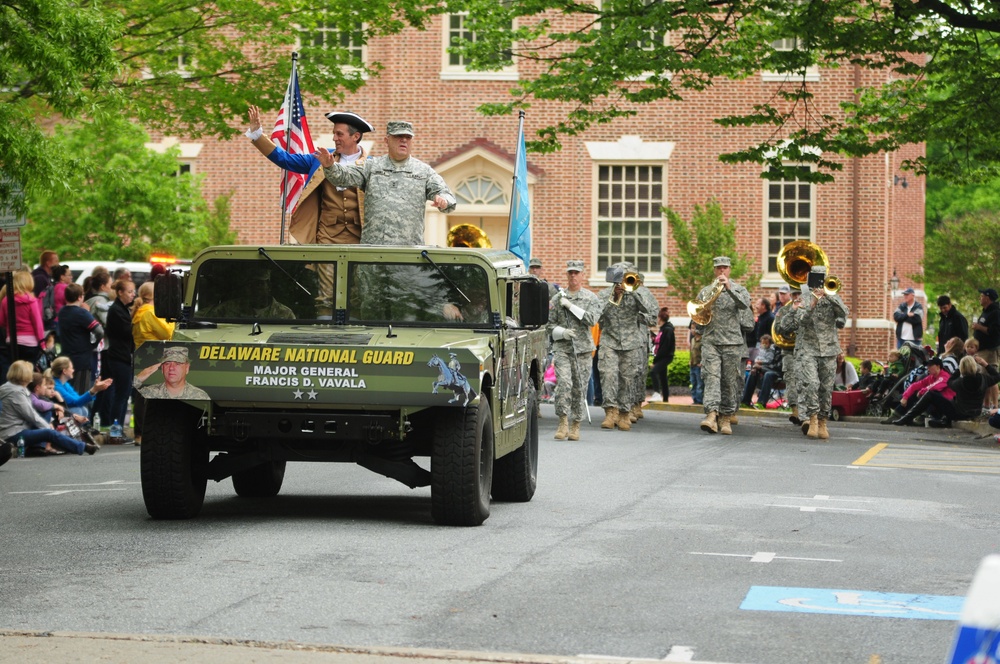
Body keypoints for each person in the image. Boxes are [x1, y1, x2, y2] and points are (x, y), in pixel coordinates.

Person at [317, 121, 457, 245]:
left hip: (408, 253)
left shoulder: (423, 171)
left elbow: (447, 197)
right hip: (373, 252)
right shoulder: (371, 167)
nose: (403, 140)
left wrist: (443, 200)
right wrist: (330, 166)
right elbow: (343, 177)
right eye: (398, 137)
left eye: (408, 137)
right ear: (387, 140)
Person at [784, 267, 850, 439]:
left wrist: (831, 297)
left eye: (822, 278)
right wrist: (812, 304)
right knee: (812, 383)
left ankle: (822, 421)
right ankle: (812, 418)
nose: (819, 281)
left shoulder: (833, 296)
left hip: (828, 349)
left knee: (826, 388)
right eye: (816, 278)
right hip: (808, 349)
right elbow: (801, 321)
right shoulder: (803, 298)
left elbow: (844, 315)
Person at [595, 263, 658, 431]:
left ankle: (624, 412)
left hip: (631, 343)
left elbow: (652, 317)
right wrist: (613, 297)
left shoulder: (638, 294)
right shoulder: (603, 294)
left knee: (627, 378)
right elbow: (596, 315)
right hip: (609, 341)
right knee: (608, 376)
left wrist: (634, 293)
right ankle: (610, 412)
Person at [696, 256, 753, 435]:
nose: (721, 271)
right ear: (714, 270)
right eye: (718, 268)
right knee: (712, 378)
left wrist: (729, 289)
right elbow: (698, 321)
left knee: (729, 382)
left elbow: (745, 306)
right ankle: (711, 415)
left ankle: (726, 417)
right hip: (711, 341)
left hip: (732, 343)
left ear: (729, 270)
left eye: (725, 268)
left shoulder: (740, 290)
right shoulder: (705, 291)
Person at [547, 260, 601, 441]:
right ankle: (563, 422)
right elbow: (549, 325)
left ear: (582, 275)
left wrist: (570, 306)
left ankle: (576, 424)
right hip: (563, 348)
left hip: (583, 350)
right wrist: (562, 332)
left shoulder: (590, 298)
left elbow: (592, 319)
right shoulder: (556, 299)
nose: (573, 276)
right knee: (564, 384)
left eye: (576, 272)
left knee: (579, 387)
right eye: (570, 272)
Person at [0, 361, 99, 456]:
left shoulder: (14, 389)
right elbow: (30, 415)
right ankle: (82, 447)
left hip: (18, 428)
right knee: (48, 433)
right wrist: (48, 428)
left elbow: (38, 408)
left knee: (47, 414)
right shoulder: (15, 392)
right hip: (13, 433)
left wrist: (55, 408)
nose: (32, 375)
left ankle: (38, 447)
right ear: (23, 375)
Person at [100, 279, 136, 434]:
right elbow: (128, 331)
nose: (132, 295)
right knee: (121, 394)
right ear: (120, 292)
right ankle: (115, 430)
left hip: (123, 356)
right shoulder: (116, 310)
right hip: (119, 356)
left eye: (133, 292)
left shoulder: (123, 309)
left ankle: (118, 429)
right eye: (129, 292)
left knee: (124, 393)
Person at [56, 283, 104, 396]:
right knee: (81, 392)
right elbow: (99, 331)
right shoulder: (81, 313)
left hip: (66, 357)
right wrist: (93, 344)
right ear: (79, 297)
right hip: (82, 358)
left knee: (67, 392)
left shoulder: (62, 312)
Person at [886, 356, 955, 426]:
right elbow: (915, 385)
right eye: (927, 365)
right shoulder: (931, 377)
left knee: (932, 393)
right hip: (936, 406)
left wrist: (921, 391)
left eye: (930, 365)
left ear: (938, 366)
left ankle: (920, 418)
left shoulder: (945, 376)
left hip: (946, 408)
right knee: (915, 393)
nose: (928, 368)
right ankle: (896, 415)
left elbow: (935, 387)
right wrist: (905, 397)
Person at [0, 270, 46, 367]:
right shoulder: (31, 301)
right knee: (28, 372)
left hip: (12, 342)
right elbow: (37, 324)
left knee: (15, 370)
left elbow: (2, 321)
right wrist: (42, 343)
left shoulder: (6, 300)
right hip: (30, 343)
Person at [135, 346, 210, 400]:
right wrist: (138, 379)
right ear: (162, 369)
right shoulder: (148, 393)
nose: (171, 368)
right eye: (167, 363)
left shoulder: (199, 396)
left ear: (187, 368)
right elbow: (125, 400)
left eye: (177, 363)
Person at [773, 288, 801, 424]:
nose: (796, 296)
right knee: (791, 379)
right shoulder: (784, 310)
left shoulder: (810, 309)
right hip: (789, 352)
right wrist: (792, 312)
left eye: (799, 293)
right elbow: (778, 329)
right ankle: (795, 410)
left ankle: (808, 411)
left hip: (805, 351)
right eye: (794, 294)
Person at [972, 287, 1000, 410]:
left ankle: (995, 406)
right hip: (982, 350)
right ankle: (986, 406)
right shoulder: (986, 311)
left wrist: (979, 327)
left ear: (987, 298)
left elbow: (995, 331)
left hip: (990, 350)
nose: (980, 297)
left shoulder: (996, 312)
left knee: (991, 378)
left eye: (982, 295)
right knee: (984, 378)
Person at [741, 334, 781, 407]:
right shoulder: (765, 349)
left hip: (776, 372)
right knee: (752, 373)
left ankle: (761, 403)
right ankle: (745, 401)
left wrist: (761, 367)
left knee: (768, 374)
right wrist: (756, 367)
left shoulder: (780, 349)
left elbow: (777, 367)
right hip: (765, 369)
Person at [650, 307, 675, 403]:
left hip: (666, 356)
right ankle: (665, 399)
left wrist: (655, 361)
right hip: (663, 356)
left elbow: (665, 346)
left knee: (654, 372)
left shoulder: (667, 330)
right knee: (663, 377)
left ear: (660, 318)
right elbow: (660, 342)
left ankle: (657, 393)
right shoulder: (663, 329)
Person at [688, 322, 704, 405]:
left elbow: (704, 353)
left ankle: (699, 400)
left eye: (694, 328)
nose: (692, 330)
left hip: (699, 366)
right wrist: (690, 360)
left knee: (699, 384)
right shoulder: (693, 340)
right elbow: (691, 351)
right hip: (693, 365)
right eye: (691, 328)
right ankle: (694, 399)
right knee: (693, 383)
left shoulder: (702, 340)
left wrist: (702, 362)